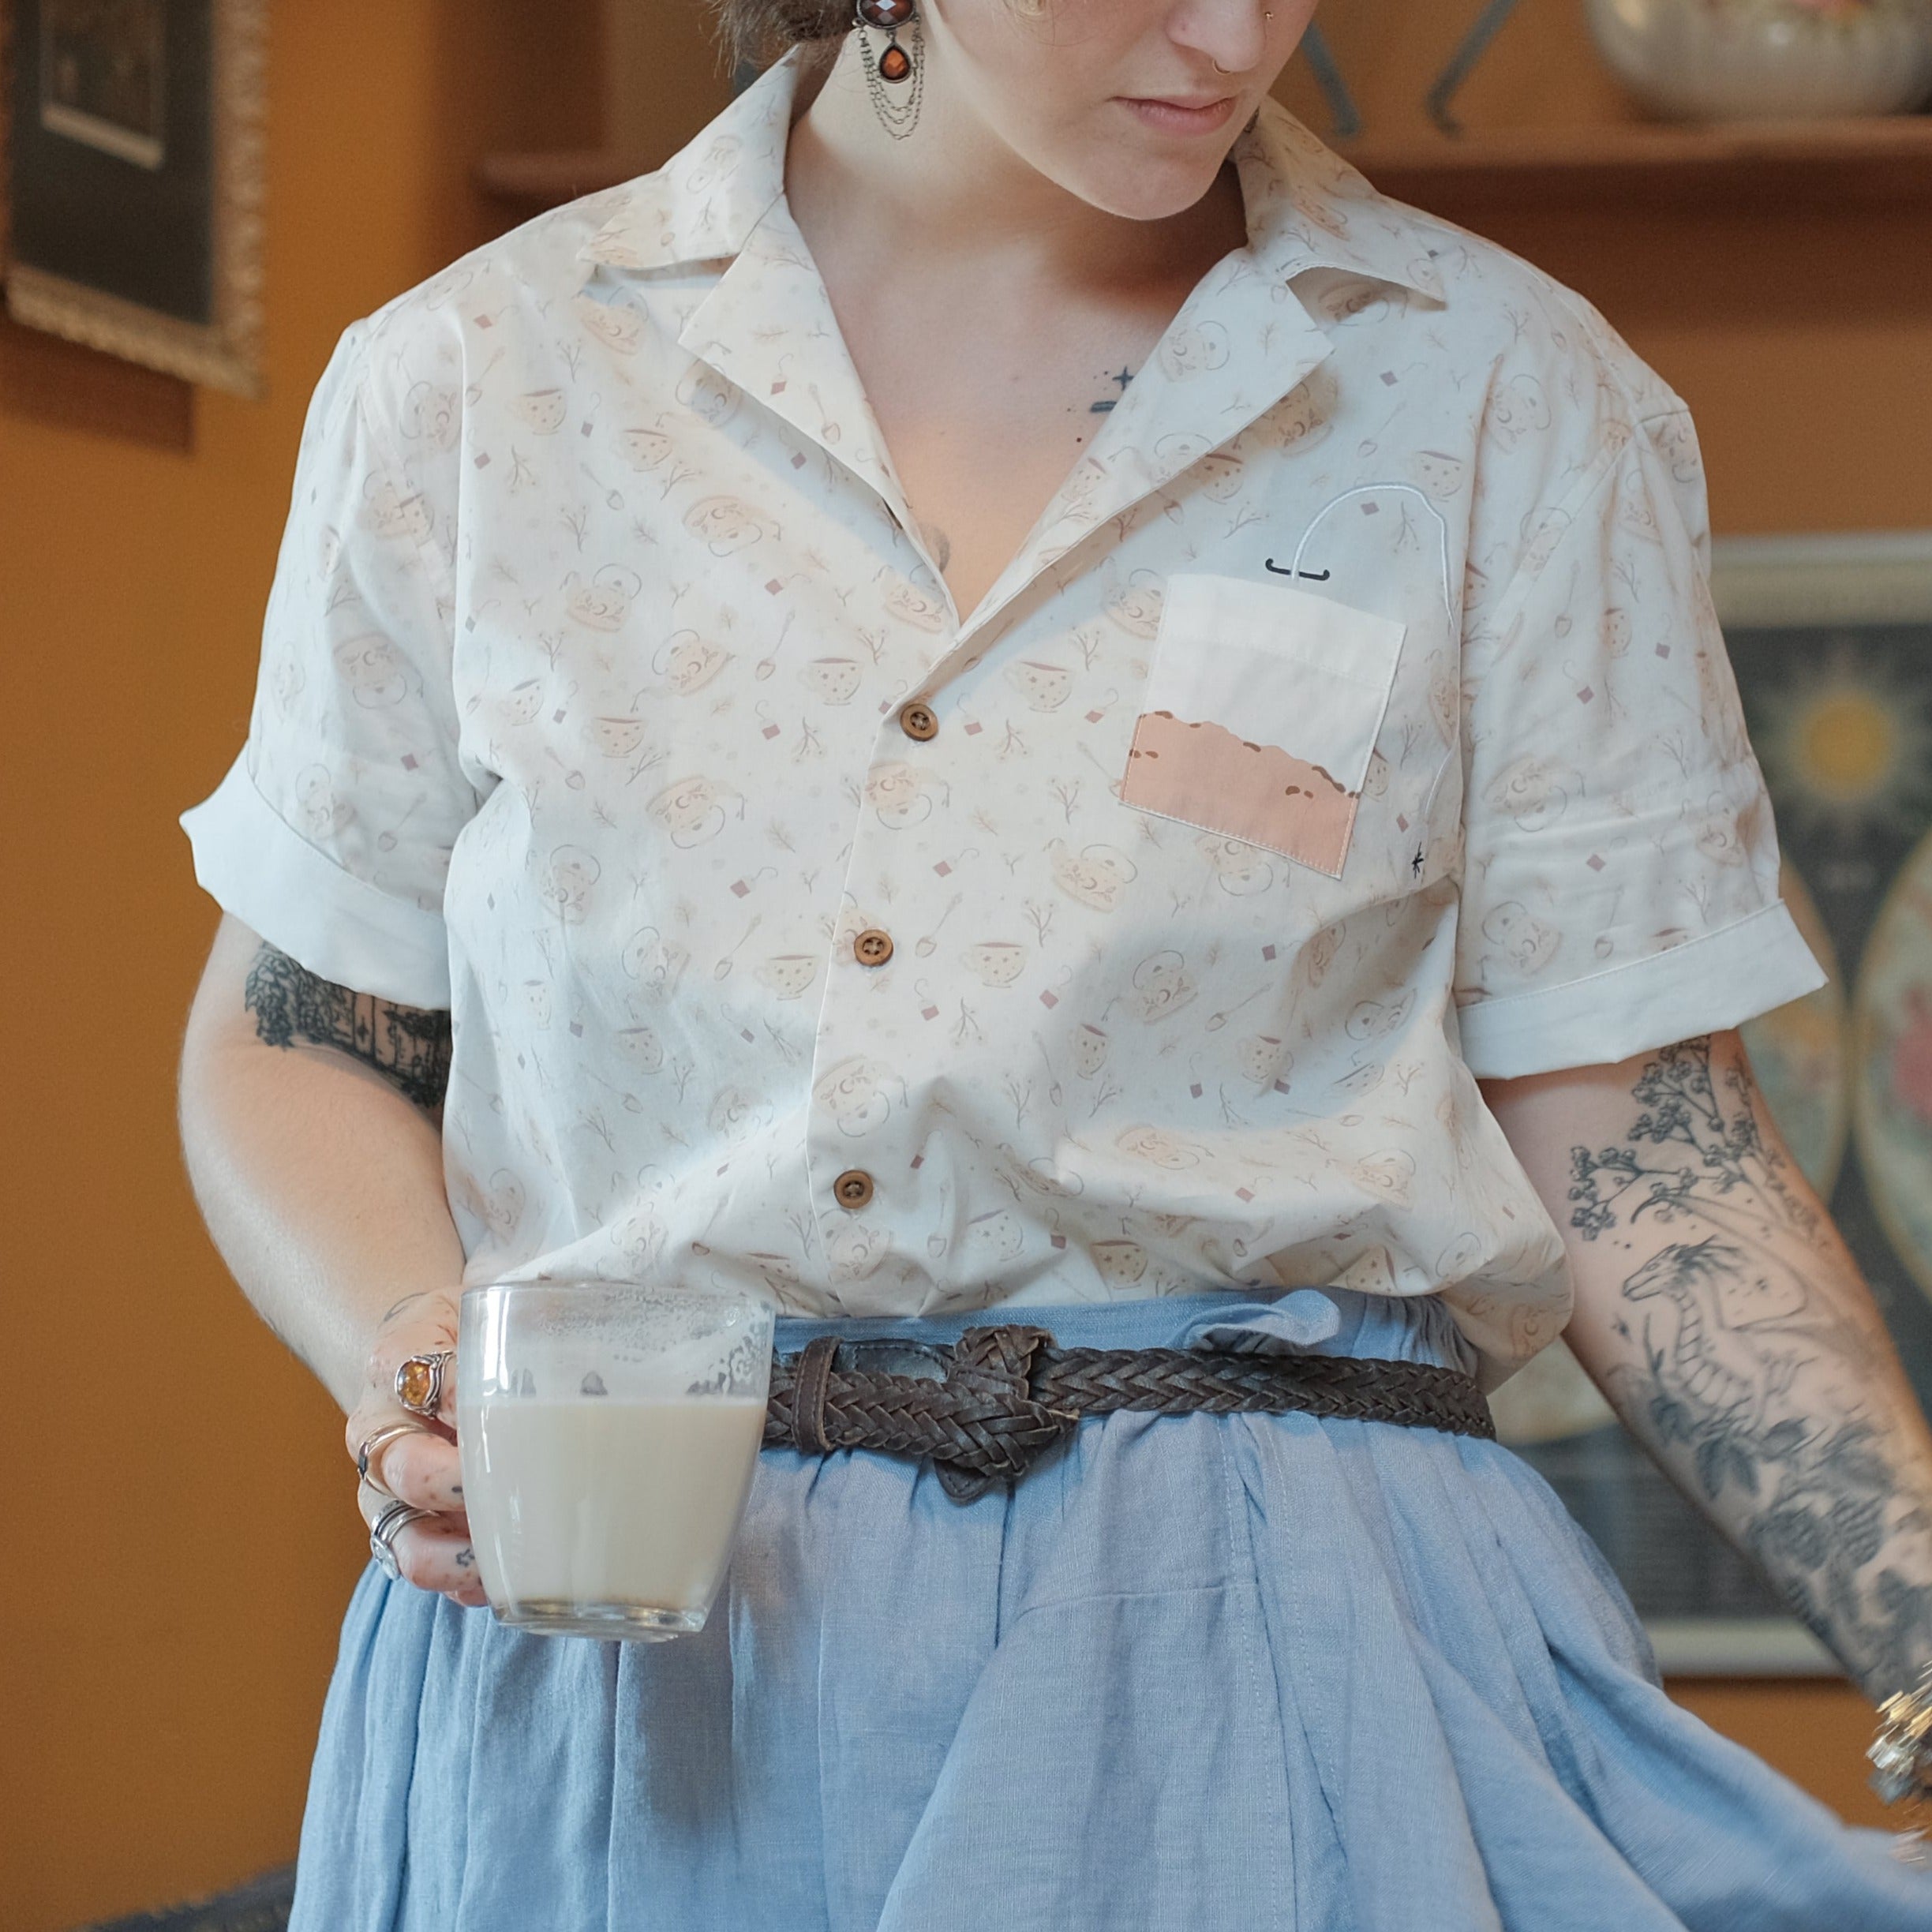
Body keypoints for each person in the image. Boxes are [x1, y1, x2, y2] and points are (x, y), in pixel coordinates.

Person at [175, 2, 1932, 1926]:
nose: (1235, 29)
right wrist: (427, 1370)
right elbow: (298, 1035)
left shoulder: (1507, 396)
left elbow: (1639, 1148)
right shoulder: (475, 382)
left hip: (1276, 1652)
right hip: (625, 1669)